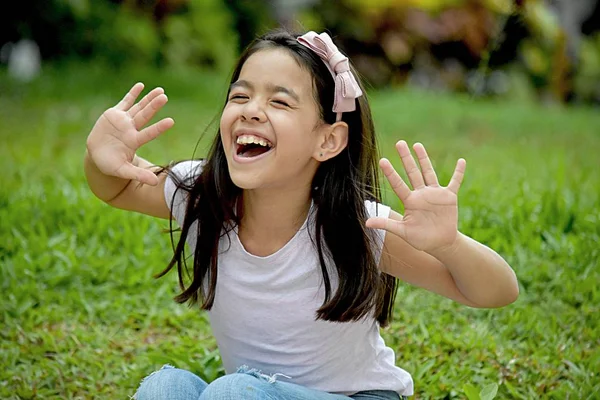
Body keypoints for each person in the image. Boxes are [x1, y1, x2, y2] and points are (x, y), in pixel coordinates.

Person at [84, 29, 519, 400]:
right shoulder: (203, 197)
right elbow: (119, 187)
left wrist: (449, 244)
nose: (251, 109)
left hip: (356, 396)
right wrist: (100, 156)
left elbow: (496, 291)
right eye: (240, 95)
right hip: (251, 392)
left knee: (232, 392)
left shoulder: (355, 226)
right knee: (167, 388)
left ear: (328, 142)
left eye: (280, 102)